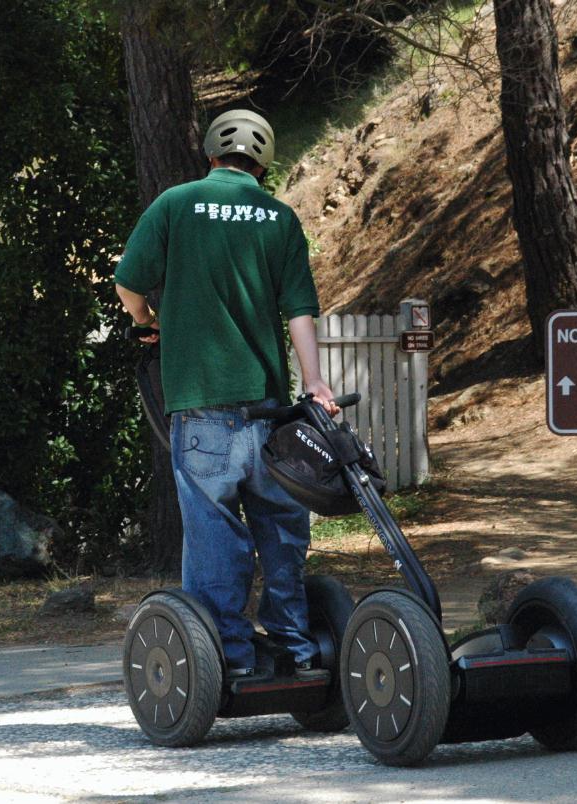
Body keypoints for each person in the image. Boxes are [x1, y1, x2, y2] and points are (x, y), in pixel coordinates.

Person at [114, 109, 339, 682]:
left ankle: (231, 658)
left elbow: (129, 283)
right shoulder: (278, 217)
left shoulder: (175, 204)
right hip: (268, 410)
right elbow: (300, 310)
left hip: (203, 411)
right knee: (283, 528)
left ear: (211, 153)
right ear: (262, 165)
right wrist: (313, 382)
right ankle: (296, 647)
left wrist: (147, 319)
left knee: (215, 535)